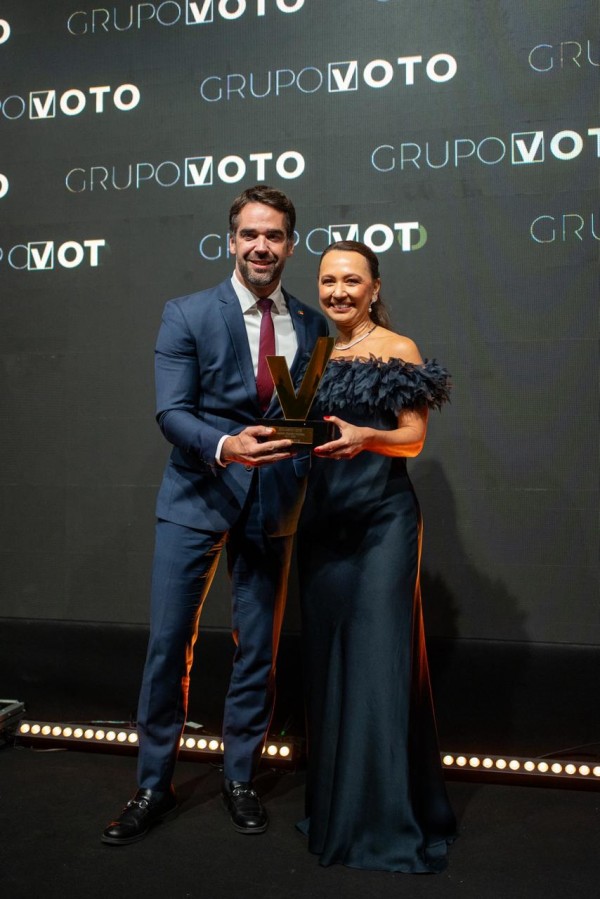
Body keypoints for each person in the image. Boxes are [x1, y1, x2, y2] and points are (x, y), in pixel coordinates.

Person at [102, 185, 328, 845]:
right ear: (231, 241)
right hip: (197, 496)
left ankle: (238, 777)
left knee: (256, 649)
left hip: (275, 504)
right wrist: (226, 445)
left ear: (290, 242)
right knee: (170, 643)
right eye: (250, 234)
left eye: (275, 235)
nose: (262, 246)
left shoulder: (311, 326)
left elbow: (301, 415)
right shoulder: (187, 313)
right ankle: (153, 783)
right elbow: (172, 413)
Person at [296, 240, 456, 873]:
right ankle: (341, 810)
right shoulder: (311, 354)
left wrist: (367, 437)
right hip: (323, 523)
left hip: (383, 523)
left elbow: (414, 439)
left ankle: (384, 821)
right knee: (331, 665)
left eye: (352, 280)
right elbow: (302, 432)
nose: (338, 291)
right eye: (329, 280)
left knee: (376, 664)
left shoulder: (398, 349)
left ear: (374, 286)